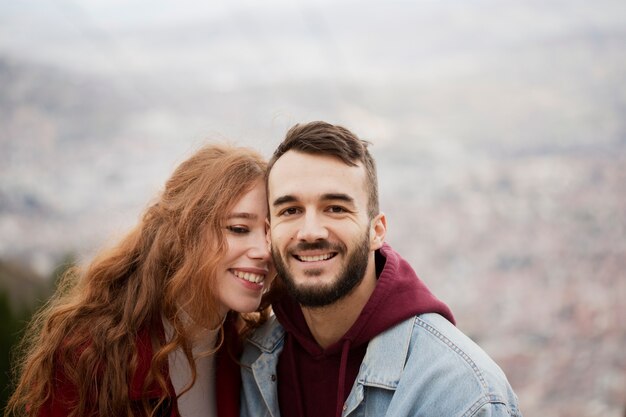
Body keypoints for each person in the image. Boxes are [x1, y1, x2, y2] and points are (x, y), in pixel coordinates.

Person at [240, 121, 522, 417]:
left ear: (377, 230)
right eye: (291, 211)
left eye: (335, 208)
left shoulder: (462, 393)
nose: (310, 232)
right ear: (270, 233)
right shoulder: (254, 362)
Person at [6, 144, 274, 417]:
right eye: (239, 229)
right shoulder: (93, 356)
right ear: (185, 232)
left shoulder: (246, 350)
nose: (264, 250)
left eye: (270, 232)